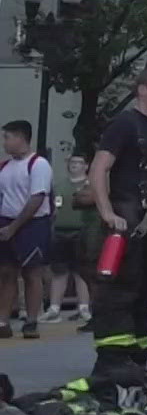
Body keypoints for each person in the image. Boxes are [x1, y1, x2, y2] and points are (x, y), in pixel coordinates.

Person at [88, 68, 147, 380]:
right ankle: (112, 358)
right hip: (123, 219)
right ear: (142, 90)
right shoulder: (124, 124)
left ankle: (139, 354)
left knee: (144, 288)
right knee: (118, 290)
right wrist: (106, 212)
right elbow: (99, 168)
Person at [0, 121, 55, 340]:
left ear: (22, 137)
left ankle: (31, 321)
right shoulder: (4, 167)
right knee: (6, 273)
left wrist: (14, 227)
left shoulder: (38, 164)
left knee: (32, 273)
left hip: (32, 225)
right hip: (6, 220)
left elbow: (37, 198)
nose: (5, 142)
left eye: (8, 137)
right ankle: (3, 321)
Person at [47, 154, 98, 326]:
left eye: (79, 162)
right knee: (59, 270)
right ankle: (54, 308)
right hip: (60, 231)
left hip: (81, 231)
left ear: (86, 166)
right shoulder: (60, 185)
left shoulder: (90, 185)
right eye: (72, 162)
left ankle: (83, 306)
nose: (75, 165)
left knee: (81, 271)